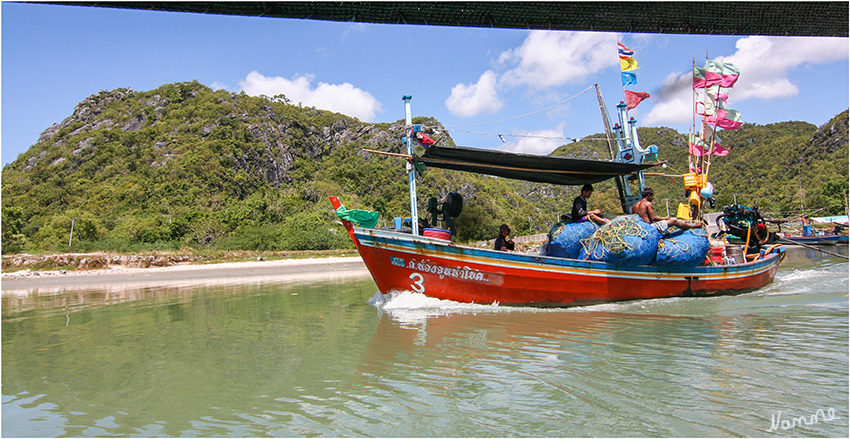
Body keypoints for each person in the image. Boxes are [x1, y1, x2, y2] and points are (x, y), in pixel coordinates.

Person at [631, 187, 701, 234]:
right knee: (674, 221)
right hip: (649, 227)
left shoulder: (635, 205)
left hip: (639, 227)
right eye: (652, 196)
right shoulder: (647, 203)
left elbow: (632, 216)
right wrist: (665, 218)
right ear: (649, 195)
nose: (652, 198)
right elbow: (653, 218)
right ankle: (693, 226)